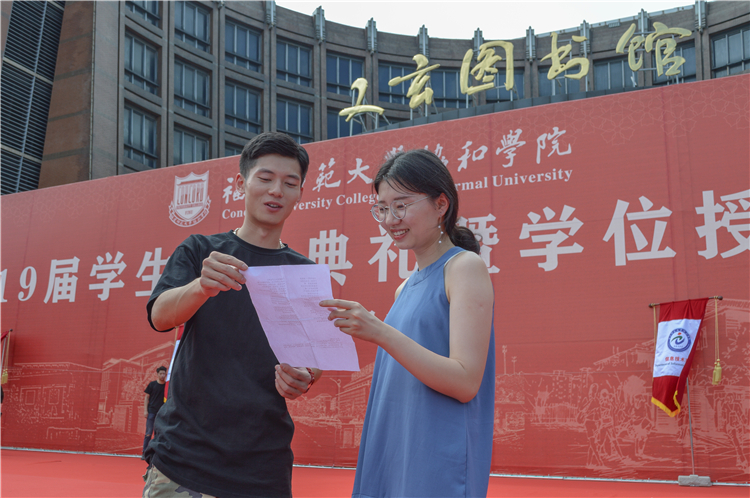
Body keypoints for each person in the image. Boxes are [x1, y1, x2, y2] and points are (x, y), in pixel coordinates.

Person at [143, 132, 322, 498]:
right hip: (184, 461)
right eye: (265, 178)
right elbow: (160, 316)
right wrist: (201, 286)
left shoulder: (304, 273)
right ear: (241, 183)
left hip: (263, 469)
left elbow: (313, 358)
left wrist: (304, 377)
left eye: (290, 184)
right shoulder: (201, 250)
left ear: (300, 194)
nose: (276, 191)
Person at [320, 149, 496, 498]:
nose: (390, 219)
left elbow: (465, 381)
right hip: (395, 446)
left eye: (401, 206)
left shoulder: (464, 268)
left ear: (441, 204)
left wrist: (379, 332)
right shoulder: (405, 287)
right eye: (382, 208)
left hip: (437, 457)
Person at [142, 365, 167, 459]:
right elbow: (146, 398)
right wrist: (145, 410)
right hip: (151, 412)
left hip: (161, 413)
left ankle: (156, 454)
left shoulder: (167, 386)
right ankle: (144, 453)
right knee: (148, 433)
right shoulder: (152, 384)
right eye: (161, 373)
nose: (162, 375)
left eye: (164, 373)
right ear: (157, 374)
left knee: (158, 434)